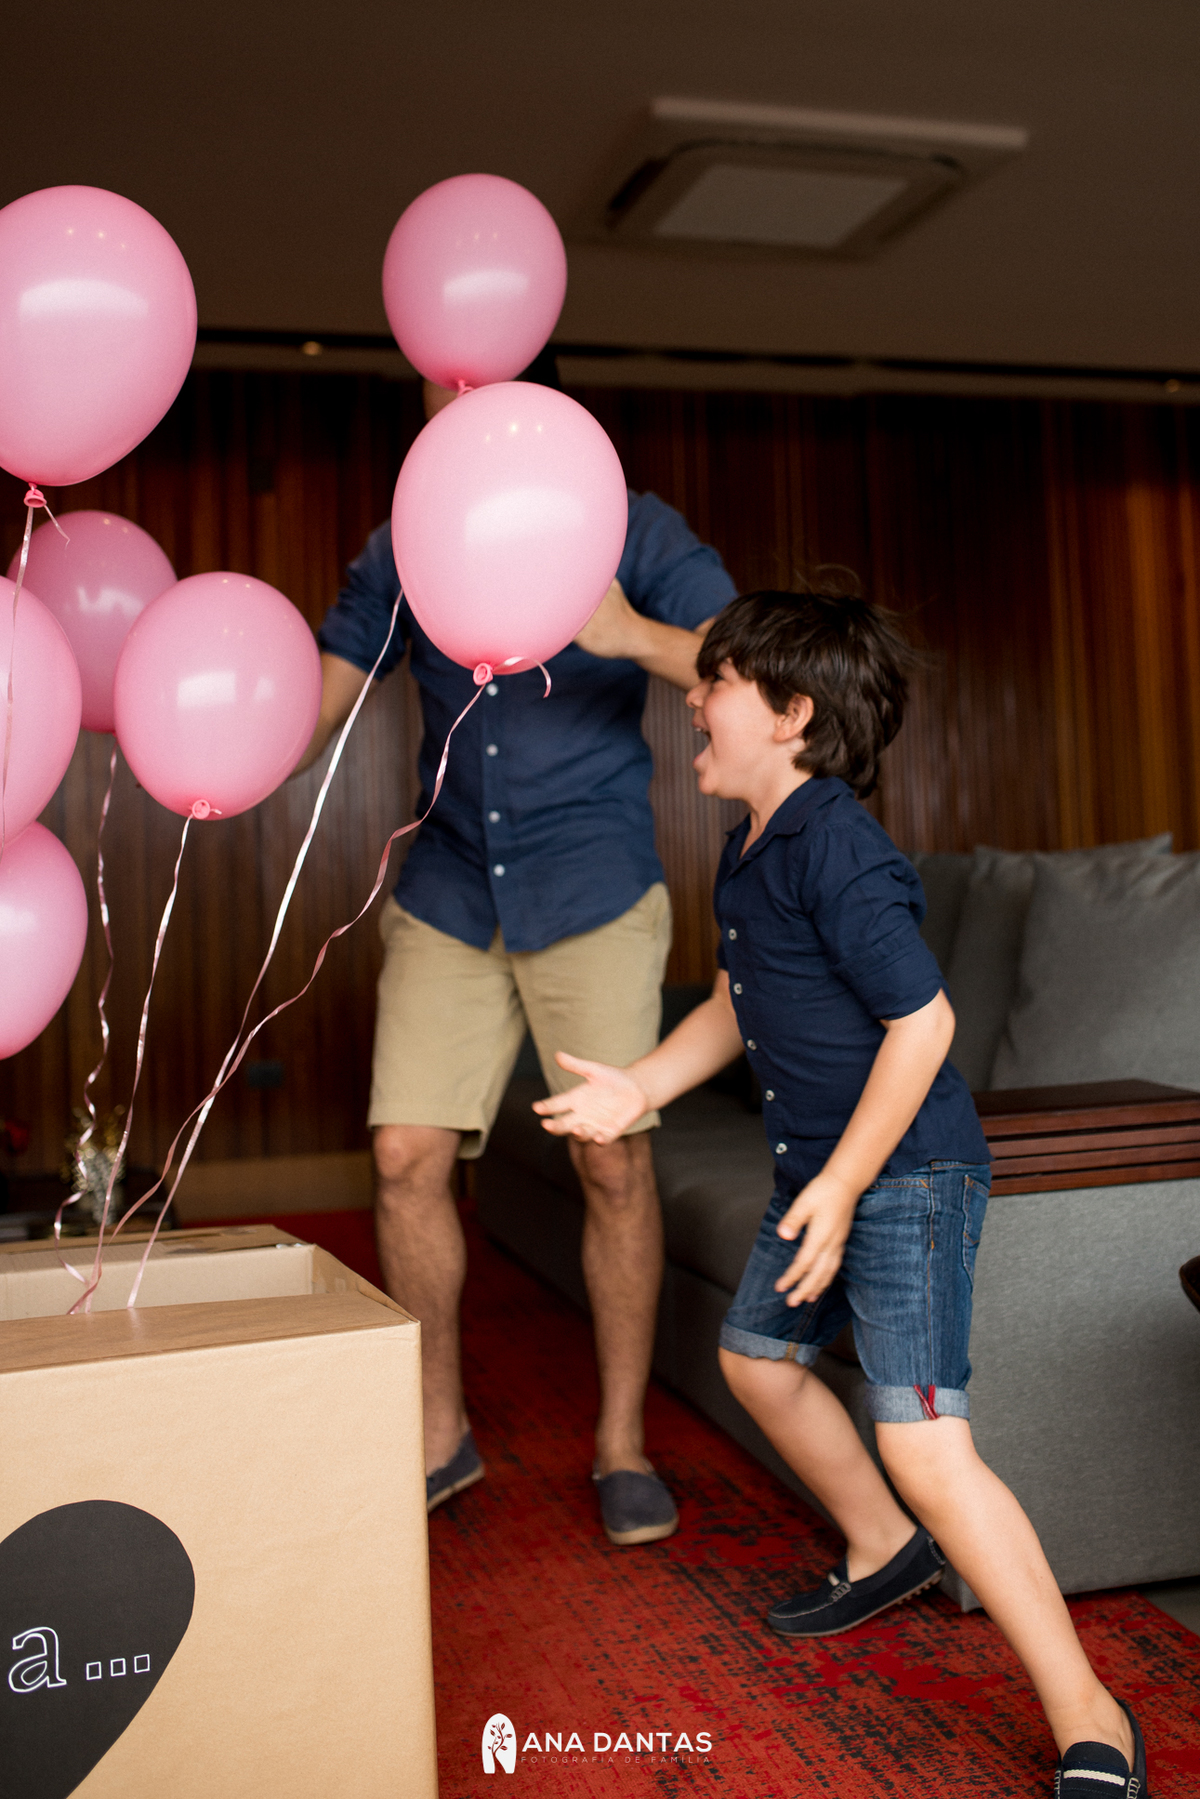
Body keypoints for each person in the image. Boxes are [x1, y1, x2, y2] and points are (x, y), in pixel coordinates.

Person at [533, 590, 1148, 1795]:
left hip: (905, 1171)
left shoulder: (839, 847)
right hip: (823, 1171)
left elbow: (925, 1023)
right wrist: (639, 1087)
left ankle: (1096, 1716)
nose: (692, 699)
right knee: (760, 1358)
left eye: (715, 682)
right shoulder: (749, 845)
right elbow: (735, 1000)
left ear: (792, 714)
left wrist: (846, 1181)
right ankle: (883, 1545)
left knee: (925, 1442)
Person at [295, 361, 736, 1545]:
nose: (448, 414)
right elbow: (324, 696)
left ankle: (621, 1443)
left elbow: (746, 662)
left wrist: (628, 630)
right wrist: (227, 737)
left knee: (612, 1161)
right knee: (404, 1153)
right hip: (448, 886)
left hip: (591, 885)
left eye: (471, 387)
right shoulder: (405, 537)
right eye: (435, 390)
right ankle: (439, 1432)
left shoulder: (629, 524)